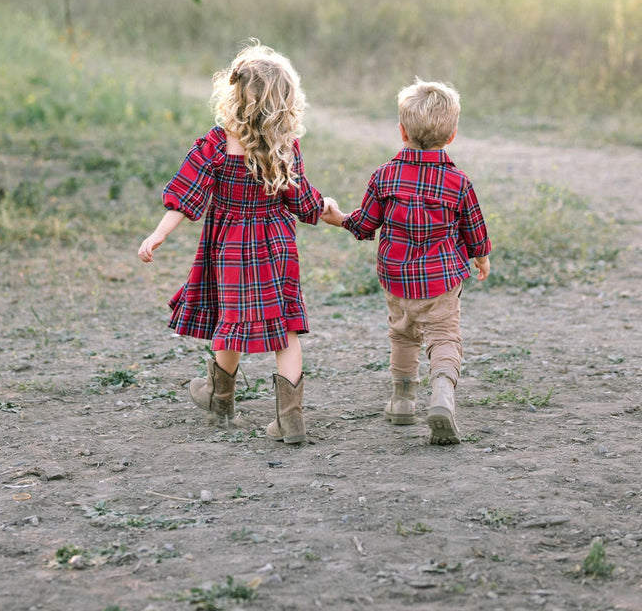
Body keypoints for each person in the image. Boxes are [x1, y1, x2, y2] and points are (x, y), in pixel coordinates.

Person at [138, 42, 324, 444]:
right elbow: (302, 201)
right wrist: (327, 208)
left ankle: (219, 398)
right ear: (285, 101)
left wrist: (158, 234)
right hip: (277, 248)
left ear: (234, 93)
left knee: (231, 322)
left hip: (232, 249)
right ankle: (290, 420)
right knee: (287, 329)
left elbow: (187, 197)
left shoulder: (217, 144)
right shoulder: (284, 146)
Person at [322, 78, 490, 445]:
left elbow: (365, 225)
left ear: (401, 132)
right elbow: (474, 226)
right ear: (452, 136)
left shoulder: (385, 176)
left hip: (397, 279)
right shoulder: (459, 182)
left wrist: (336, 217)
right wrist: (481, 257)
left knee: (402, 334)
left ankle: (402, 401)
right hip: (442, 279)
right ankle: (442, 394)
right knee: (444, 336)